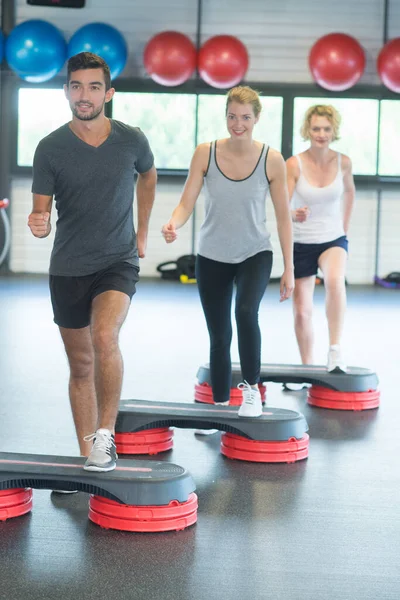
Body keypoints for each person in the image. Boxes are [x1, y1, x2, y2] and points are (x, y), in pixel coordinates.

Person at [28, 52, 157, 472]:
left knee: (105, 338)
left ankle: (106, 436)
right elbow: (41, 215)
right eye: (77, 86)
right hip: (68, 267)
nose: (85, 95)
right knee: (81, 364)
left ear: (109, 92)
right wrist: (38, 223)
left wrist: (141, 231)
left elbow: (149, 175)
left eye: (94, 86)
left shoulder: (131, 139)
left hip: (117, 262)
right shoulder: (50, 148)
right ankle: (87, 454)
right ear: (66, 91)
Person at [162, 86, 294, 419]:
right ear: (225, 116)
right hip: (212, 255)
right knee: (219, 334)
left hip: (255, 252)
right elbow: (186, 202)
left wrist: (289, 268)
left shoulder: (272, 159)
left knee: (246, 312)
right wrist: (173, 223)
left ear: (257, 118)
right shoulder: (205, 153)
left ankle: (251, 390)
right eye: (232, 117)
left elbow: (283, 217)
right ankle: (219, 404)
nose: (238, 124)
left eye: (245, 118)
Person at [286, 104, 355, 374]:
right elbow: (283, 203)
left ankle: (335, 350)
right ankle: (306, 368)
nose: (321, 133)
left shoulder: (344, 162)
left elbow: (350, 194)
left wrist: (344, 228)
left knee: (335, 280)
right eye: (316, 128)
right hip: (301, 241)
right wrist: (293, 214)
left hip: (332, 239)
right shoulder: (294, 164)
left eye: (326, 128)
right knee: (302, 311)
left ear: (333, 130)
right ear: (308, 130)